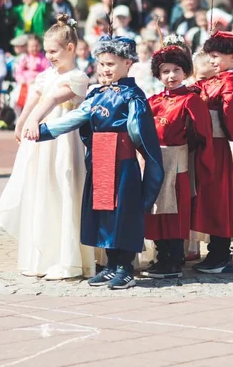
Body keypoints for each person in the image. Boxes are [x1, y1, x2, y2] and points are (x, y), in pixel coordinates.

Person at [22, 34, 164, 291]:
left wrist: (145, 161)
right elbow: (76, 117)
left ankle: (125, 267)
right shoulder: (97, 95)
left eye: (111, 64)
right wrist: (42, 131)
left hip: (123, 164)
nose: (105, 69)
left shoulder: (133, 96)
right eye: (101, 64)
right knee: (103, 213)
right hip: (101, 160)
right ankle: (110, 265)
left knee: (124, 213)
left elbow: (140, 132)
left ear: (127, 63)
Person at [0, 15, 95, 280]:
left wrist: (34, 119)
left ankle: (68, 259)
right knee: (42, 190)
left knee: (64, 188)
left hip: (63, 142)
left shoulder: (77, 77)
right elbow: (36, 96)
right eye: (47, 51)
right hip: (39, 140)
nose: (49, 56)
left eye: (54, 51)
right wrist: (21, 121)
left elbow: (54, 98)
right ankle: (41, 256)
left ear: (70, 48)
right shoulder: (45, 75)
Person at [142, 39, 212, 278]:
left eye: (176, 70)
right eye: (165, 71)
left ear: (185, 72)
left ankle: (173, 259)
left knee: (173, 212)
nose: (171, 76)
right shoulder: (155, 100)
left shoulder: (191, 100)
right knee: (157, 210)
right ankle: (162, 255)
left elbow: (202, 133)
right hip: (157, 162)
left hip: (177, 164)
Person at [192, 29, 233, 274]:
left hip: (217, 147)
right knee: (209, 200)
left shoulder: (230, 86)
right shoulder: (216, 82)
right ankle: (215, 253)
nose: (212, 61)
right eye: (211, 56)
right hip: (207, 146)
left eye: (216, 56)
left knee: (218, 200)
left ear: (232, 58)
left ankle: (221, 254)